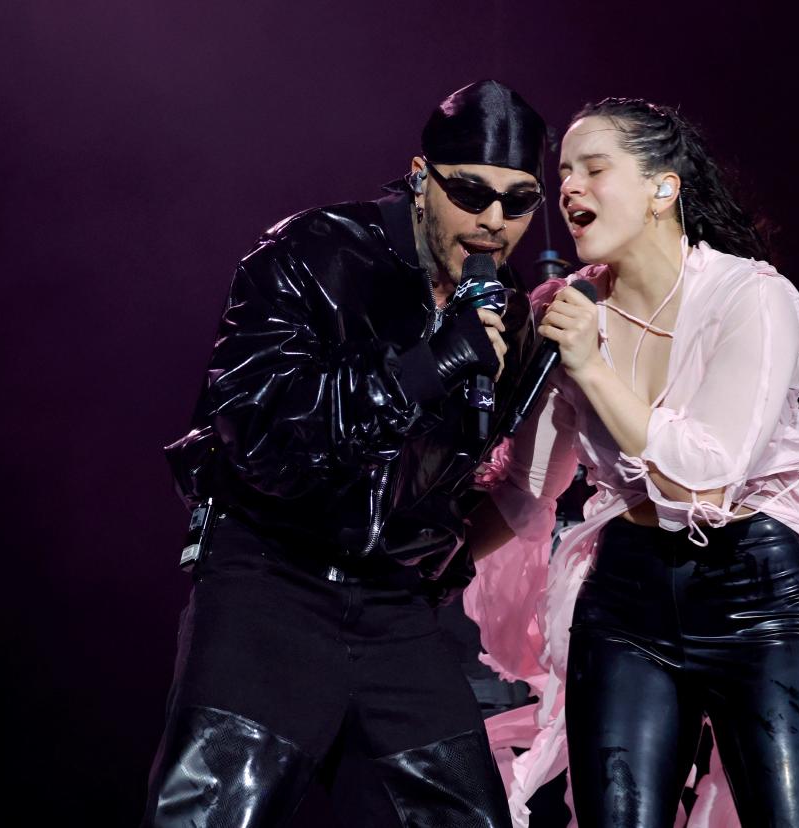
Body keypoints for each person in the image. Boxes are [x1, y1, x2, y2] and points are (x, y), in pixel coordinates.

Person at [141, 79, 547, 828]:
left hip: (394, 610)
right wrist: (423, 369)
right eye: (472, 193)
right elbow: (257, 438)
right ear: (421, 178)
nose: (494, 222)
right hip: (272, 585)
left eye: (518, 202)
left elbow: (469, 483)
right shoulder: (312, 253)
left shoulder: (506, 309)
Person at [463, 98, 799, 827]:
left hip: (755, 588)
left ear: (662, 187)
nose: (569, 189)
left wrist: (590, 362)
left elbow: (705, 475)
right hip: (626, 598)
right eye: (563, 176)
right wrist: (416, 564)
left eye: (594, 169)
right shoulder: (571, 306)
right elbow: (527, 490)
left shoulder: (753, 297)